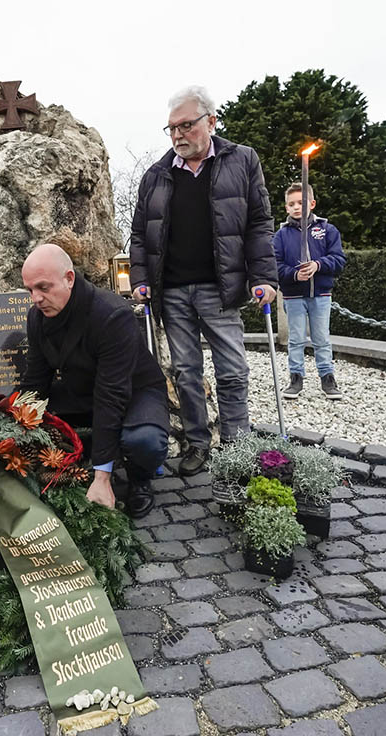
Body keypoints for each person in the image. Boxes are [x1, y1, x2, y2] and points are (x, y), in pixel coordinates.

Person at [130, 86, 279, 477]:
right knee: (186, 373)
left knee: (233, 370)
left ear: (211, 121)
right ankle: (199, 442)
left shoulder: (242, 160)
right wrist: (141, 279)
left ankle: (237, 445)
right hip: (173, 291)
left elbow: (259, 223)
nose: (178, 134)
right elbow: (141, 235)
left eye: (185, 125)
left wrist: (263, 277)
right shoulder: (156, 175)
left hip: (220, 289)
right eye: (171, 128)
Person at [19, 244, 168, 518]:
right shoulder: (36, 318)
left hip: (135, 391)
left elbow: (112, 394)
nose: (36, 298)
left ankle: (139, 478)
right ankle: (78, 464)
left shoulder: (112, 315)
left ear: (69, 278)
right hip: (83, 391)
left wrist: (102, 479)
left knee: (143, 440)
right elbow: (36, 381)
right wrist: (10, 423)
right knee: (42, 422)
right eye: (30, 290)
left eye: (43, 287)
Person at [273, 182, 346, 400]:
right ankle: (296, 378)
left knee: (321, 338)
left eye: (301, 202)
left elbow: (339, 259)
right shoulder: (281, 235)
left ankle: (327, 378)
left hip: (321, 295)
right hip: (293, 296)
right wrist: (294, 275)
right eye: (291, 204)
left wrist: (318, 265)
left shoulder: (327, 230)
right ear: (286, 208)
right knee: (295, 339)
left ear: (312, 203)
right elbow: (274, 265)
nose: (297, 207)